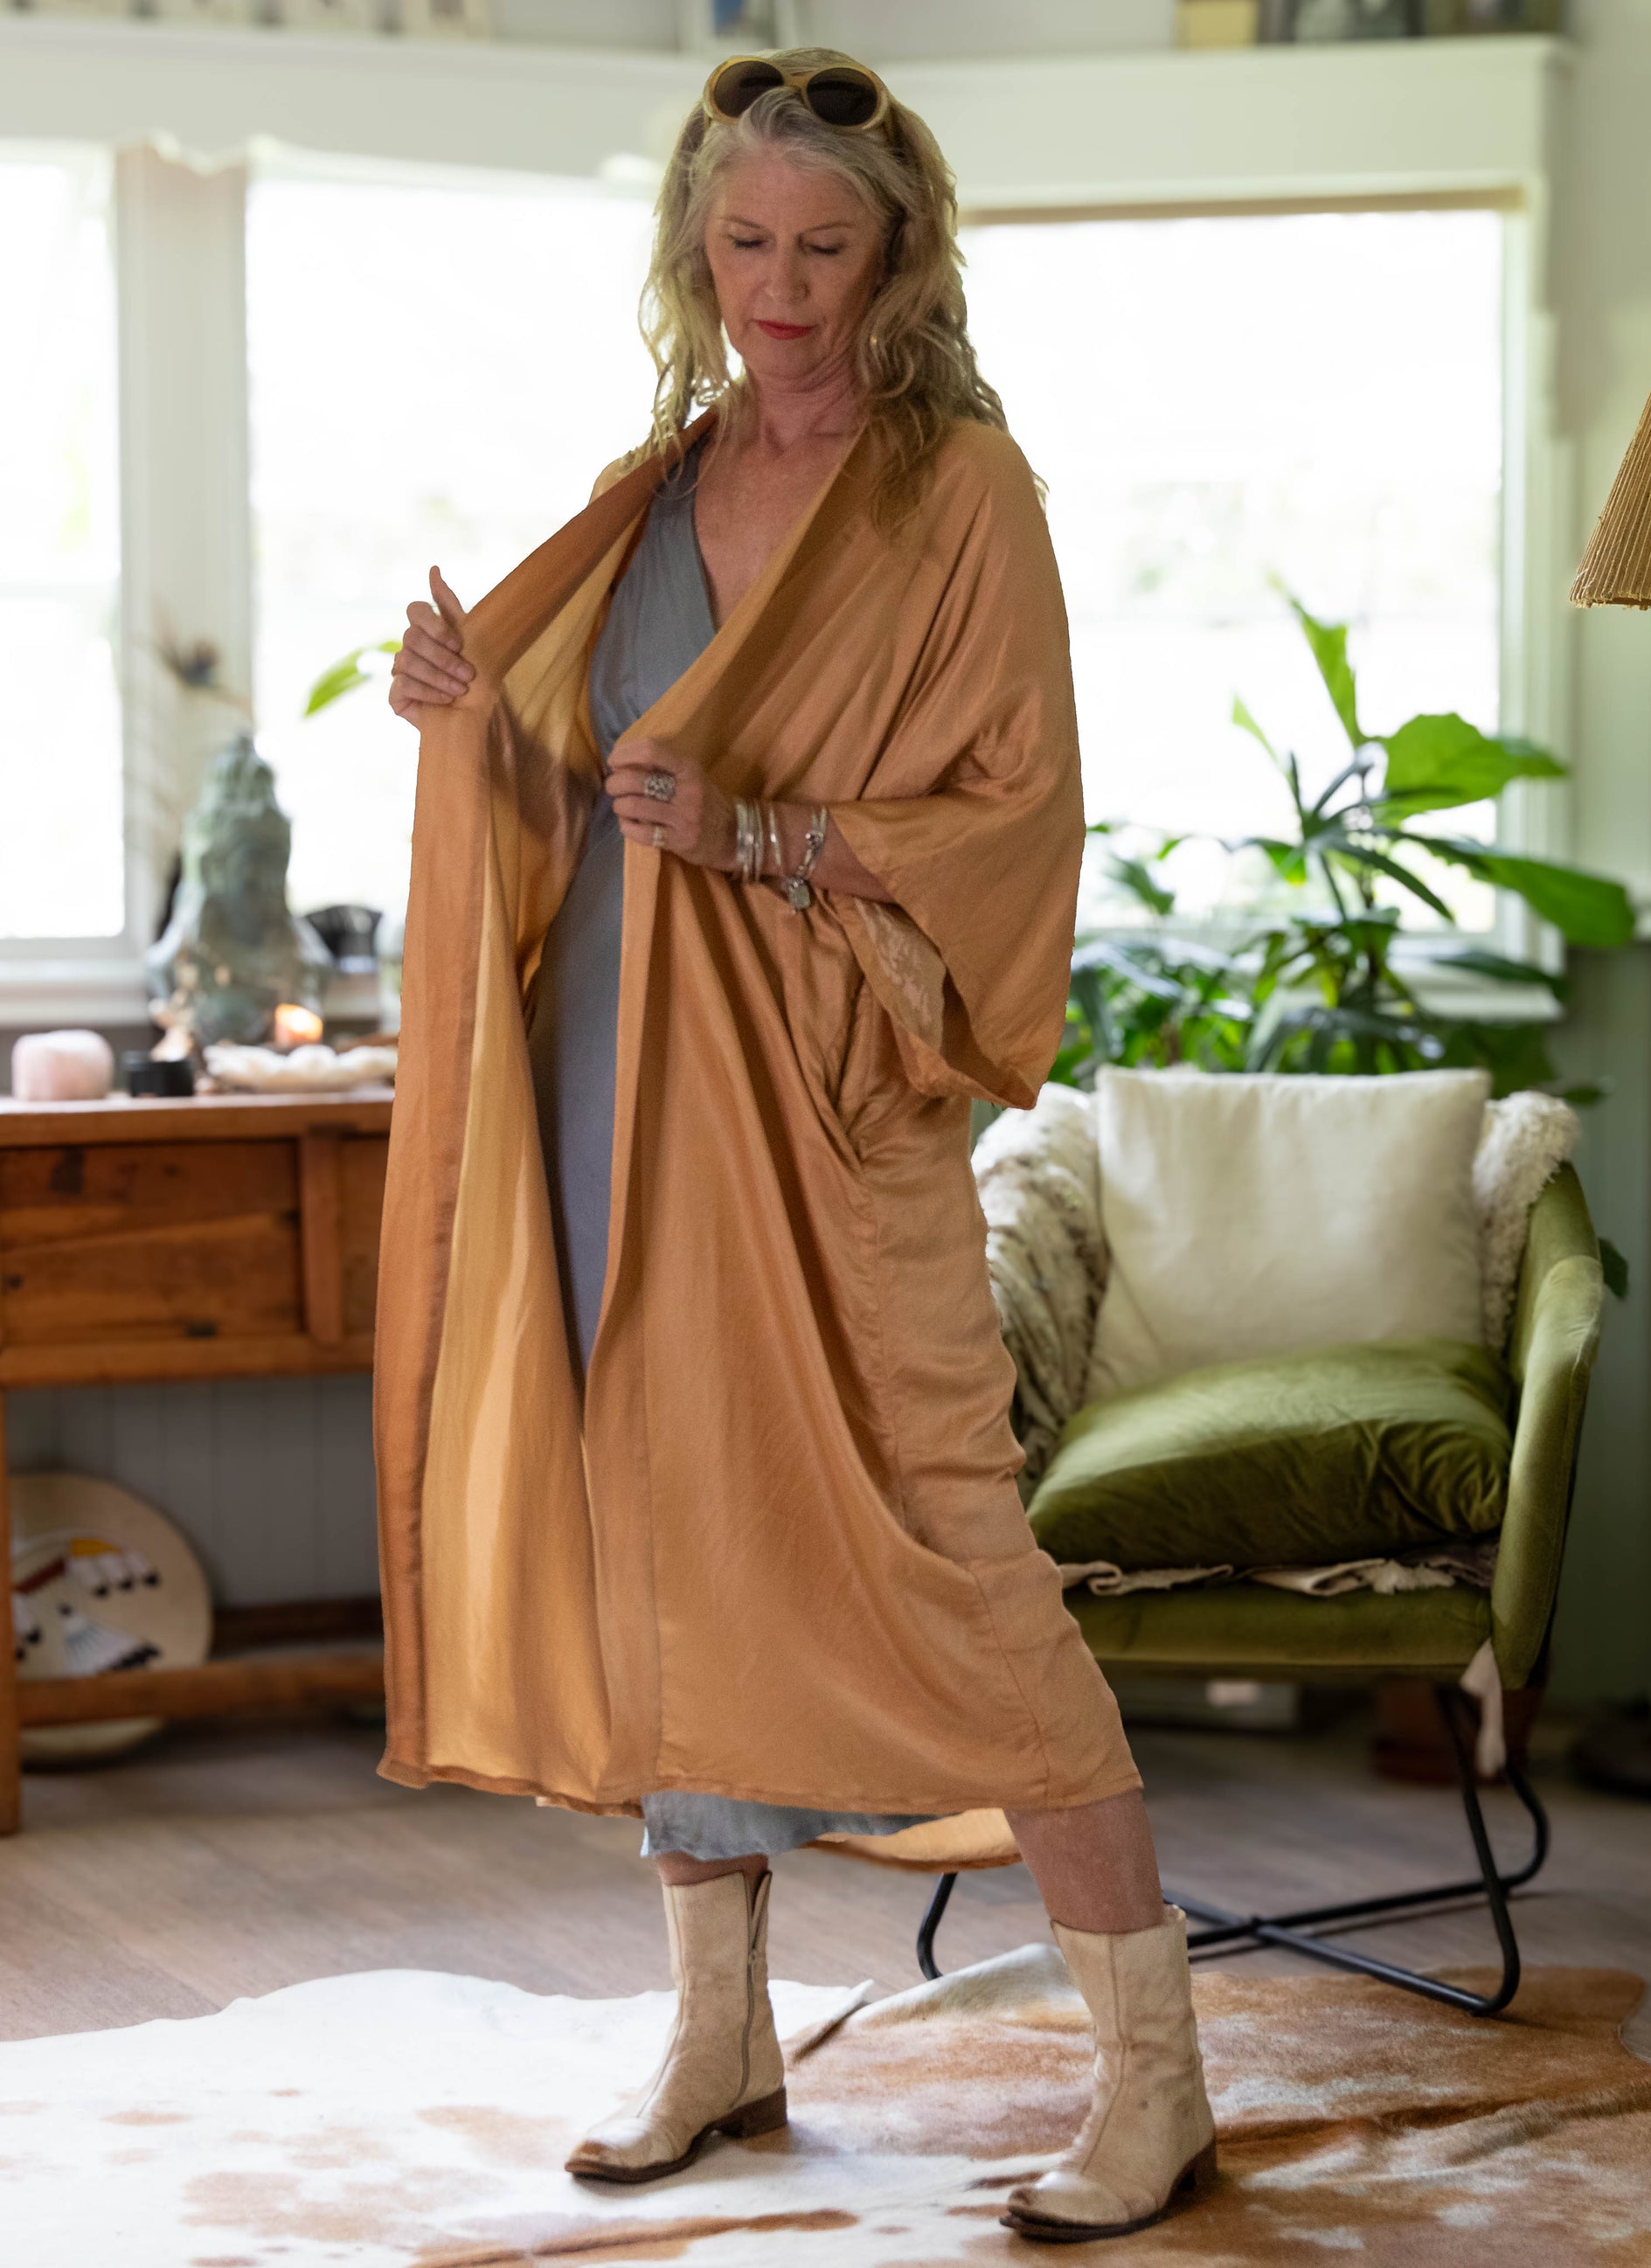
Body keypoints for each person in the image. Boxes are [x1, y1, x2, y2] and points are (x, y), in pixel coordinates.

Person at [382, 48, 1214, 2244]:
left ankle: (1156, 2075)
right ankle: (715, 2030)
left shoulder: (960, 497)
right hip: (615, 1080)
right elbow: (581, 815)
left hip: (836, 1100)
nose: (779, 290)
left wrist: (773, 835)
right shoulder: (646, 489)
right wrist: (475, 731)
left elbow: (1017, 813)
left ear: (899, 258)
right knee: (656, 1518)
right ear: (694, 251)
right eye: (741, 244)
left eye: (821, 249)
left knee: (960, 1546)